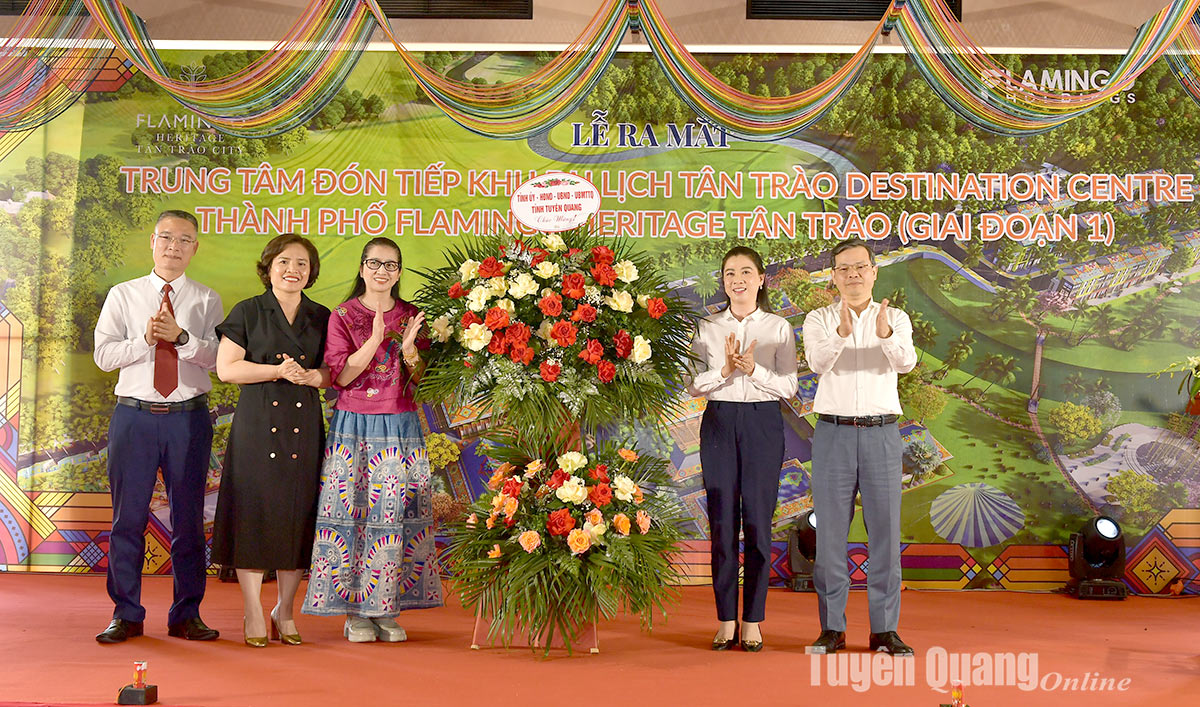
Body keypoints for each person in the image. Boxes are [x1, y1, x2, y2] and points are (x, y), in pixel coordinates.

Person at [302, 236, 444, 643]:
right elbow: (342, 377)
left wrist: (410, 349)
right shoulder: (342, 315)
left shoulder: (412, 314)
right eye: (375, 263)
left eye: (391, 265)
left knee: (393, 517)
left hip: (400, 425)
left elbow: (423, 382)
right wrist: (375, 338)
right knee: (352, 517)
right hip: (355, 426)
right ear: (362, 268)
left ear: (399, 273)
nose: (382, 271)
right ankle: (352, 612)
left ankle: (384, 609)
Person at [93, 209, 223, 644]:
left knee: (188, 520)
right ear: (152, 241)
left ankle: (187, 613)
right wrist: (145, 341)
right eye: (166, 237)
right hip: (134, 417)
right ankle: (126, 613)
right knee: (127, 520)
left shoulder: (206, 299)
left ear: (195, 248)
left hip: (188, 419)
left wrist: (183, 339)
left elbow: (219, 360)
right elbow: (103, 356)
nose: (174, 246)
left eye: (184, 239)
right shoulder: (124, 295)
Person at [211, 233, 331, 647]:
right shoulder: (249, 310)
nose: (292, 270)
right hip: (257, 424)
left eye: (301, 263)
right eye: (284, 262)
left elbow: (330, 372)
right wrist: (278, 371)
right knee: (253, 514)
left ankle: (285, 609)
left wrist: (314, 377)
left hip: (304, 426)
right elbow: (227, 369)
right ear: (268, 267)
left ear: (311, 272)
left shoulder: (321, 315)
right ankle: (253, 610)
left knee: (297, 515)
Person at [802, 238, 917, 656]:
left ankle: (884, 630)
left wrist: (883, 333)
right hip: (832, 433)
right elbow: (817, 362)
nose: (852, 275)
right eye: (843, 269)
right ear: (833, 276)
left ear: (874, 272)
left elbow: (905, 362)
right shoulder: (818, 318)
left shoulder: (897, 318)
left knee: (884, 532)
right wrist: (840, 334)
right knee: (831, 533)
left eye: (860, 267)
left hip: (882, 434)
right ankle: (832, 628)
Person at [687, 246, 798, 652]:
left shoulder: (778, 328)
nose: (738, 279)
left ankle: (751, 620)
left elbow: (790, 387)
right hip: (718, 421)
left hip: (762, 424)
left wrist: (755, 371)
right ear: (723, 280)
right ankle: (725, 620)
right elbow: (693, 385)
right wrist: (726, 371)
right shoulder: (707, 328)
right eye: (730, 272)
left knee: (757, 521)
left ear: (761, 279)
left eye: (746, 272)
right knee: (721, 524)